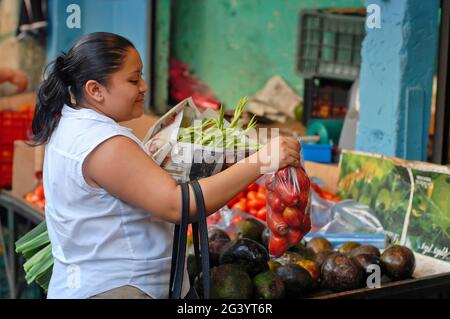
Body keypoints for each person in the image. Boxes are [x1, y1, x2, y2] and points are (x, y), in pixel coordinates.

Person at [31, 32, 301, 299]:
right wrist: (262, 160)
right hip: (117, 289)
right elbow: (178, 206)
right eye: (133, 79)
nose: (144, 86)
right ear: (95, 90)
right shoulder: (104, 144)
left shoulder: (71, 124)